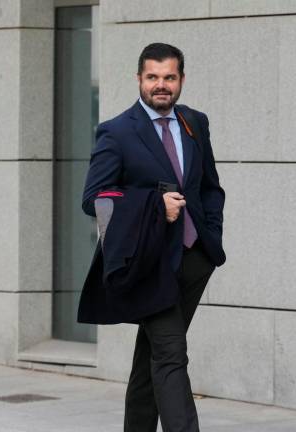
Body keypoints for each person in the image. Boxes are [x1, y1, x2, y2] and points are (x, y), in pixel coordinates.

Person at [80, 43, 226, 432]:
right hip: (149, 263)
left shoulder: (196, 122)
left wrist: (212, 237)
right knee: (171, 354)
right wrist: (153, 205)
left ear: (180, 79)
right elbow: (93, 199)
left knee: (152, 357)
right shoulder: (117, 131)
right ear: (139, 79)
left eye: (169, 77)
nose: (161, 85)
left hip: (195, 259)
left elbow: (210, 187)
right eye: (153, 77)